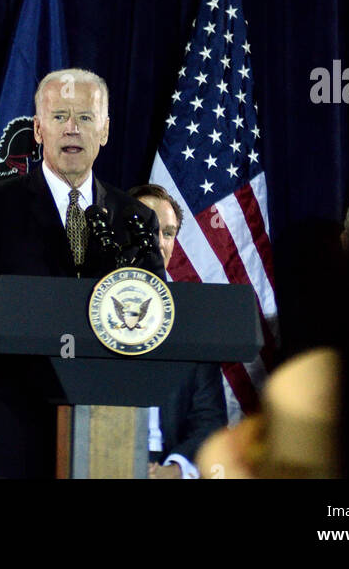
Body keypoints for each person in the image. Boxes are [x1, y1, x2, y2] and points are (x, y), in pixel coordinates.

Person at [0, 68, 167, 479]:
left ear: (105, 131)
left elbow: (157, 318)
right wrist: (12, 324)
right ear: (38, 130)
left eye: (85, 118)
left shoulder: (135, 218)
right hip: (9, 427)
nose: (72, 129)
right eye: (59, 117)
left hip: (107, 427)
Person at [128, 183, 228, 479]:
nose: (159, 242)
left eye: (168, 233)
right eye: (147, 227)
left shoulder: (192, 322)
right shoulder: (85, 309)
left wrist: (175, 470)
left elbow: (209, 420)